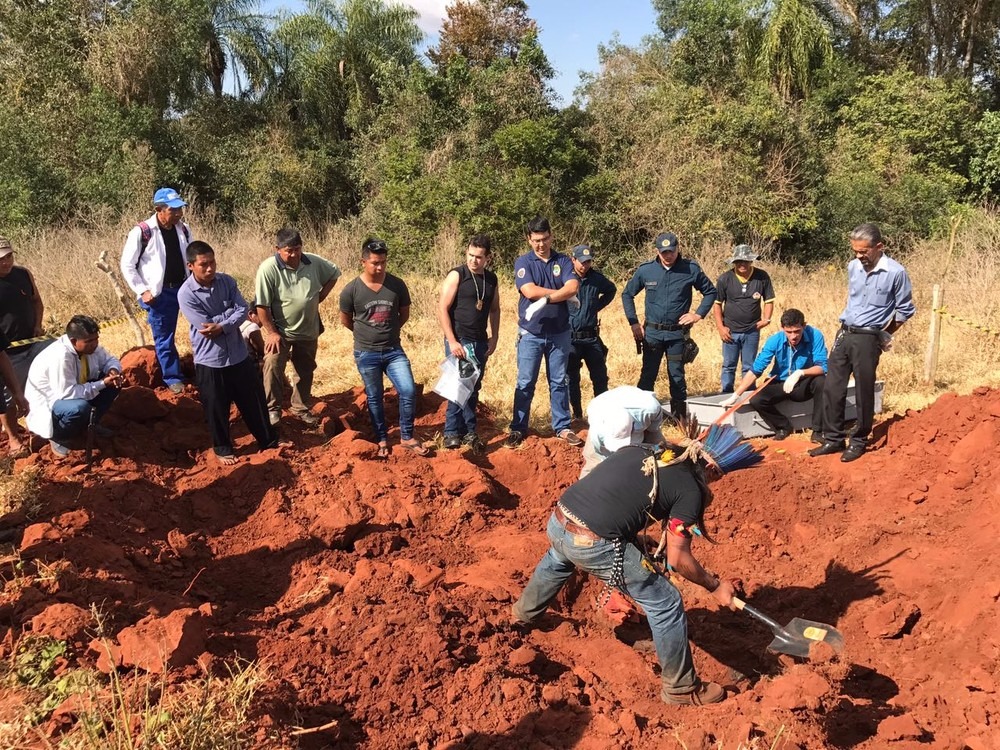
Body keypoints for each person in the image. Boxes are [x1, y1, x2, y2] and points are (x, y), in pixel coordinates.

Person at [512, 422, 762, 706]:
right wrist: (714, 586)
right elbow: (678, 559)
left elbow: (614, 497)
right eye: (717, 478)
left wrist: (637, 538)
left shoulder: (644, 450)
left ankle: (523, 616)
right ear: (712, 470)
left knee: (560, 558)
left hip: (559, 522)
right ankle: (682, 689)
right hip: (593, 543)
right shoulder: (692, 490)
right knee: (666, 602)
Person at [810, 223, 916, 463]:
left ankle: (858, 440)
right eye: (855, 251)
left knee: (863, 390)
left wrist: (885, 334)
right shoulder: (853, 267)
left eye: (864, 251)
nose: (859, 256)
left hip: (869, 337)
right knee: (832, 387)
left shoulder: (896, 273)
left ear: (879, 247)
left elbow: (904, 310)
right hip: (845, 332)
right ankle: (833, 438)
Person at [177, 242, 280, 465]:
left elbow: (243, 309)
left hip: (238, 355)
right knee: (216, 406)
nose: (210, 268)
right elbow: (205, 328)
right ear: (190, 266)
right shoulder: (185, 294)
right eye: (203, 265)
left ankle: (268, 441)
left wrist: (222, 324)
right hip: (210, 360)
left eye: (212, 262)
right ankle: (223, 449)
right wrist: (229, 316)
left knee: (254, 401)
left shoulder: (227, 281)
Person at [339, 238, 428, 458]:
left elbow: (403, 314)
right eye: (375, 263)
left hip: (393, 350)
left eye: (383, 263)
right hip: (366, 352)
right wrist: (366, 335)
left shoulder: (397, 285)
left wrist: (388, 333)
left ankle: (407, 436)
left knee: (407, 390)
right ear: (363, 262)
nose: (380, 267)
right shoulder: (351, 290)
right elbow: (346, 320)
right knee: (374, 396)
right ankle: (381, 438)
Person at [622, 232, 716, 418]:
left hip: (676, 335)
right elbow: (627, 294)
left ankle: (679, 420)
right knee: (648, 375)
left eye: (671, 251)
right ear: (657, 251)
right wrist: (634, 323)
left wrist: (697, 315)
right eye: (664, 252)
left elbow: (710, 292)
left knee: (677, 377)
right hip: (652, 335)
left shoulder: (690, 269)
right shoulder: (646, 270)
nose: (668, 255)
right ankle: (642, 419)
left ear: (677, 249)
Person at [507, 216, 582, 447]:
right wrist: (558, 294)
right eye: (537, 240)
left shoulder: (564, 261)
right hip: (531, 333)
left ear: (552, 236)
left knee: (559, 380)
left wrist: (548, 296)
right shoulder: (524, 263)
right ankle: (518, 428)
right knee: (525, 381)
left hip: (559, 332)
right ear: (529, 240)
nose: (542, 244)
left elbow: (573, 286)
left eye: (545, 239)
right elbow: (529, 291)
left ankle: (562, 426)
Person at [255, 227, 341, 427]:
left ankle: (300, 408)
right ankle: (272, 410)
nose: (294, 254)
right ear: (278, 249)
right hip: (280, 331)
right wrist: (272, 333)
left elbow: (334, 273)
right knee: (273, 365)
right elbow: (262, 306)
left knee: (305, 369)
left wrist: (320, 296)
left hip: (308, 329)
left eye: (297, 249)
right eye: (288, 251)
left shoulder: (312, 261)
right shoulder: (268, 269)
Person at [120, 187, 192, 394]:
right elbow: (127, 265)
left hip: (184, 288)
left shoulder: (184, 230)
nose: (178, 214)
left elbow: (192, 257)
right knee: (164, 337)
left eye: (180, 209)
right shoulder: (142, 232)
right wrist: (143, 291)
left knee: (199, 327)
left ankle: (204, 367)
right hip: (161, 294)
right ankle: (172, 378)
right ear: (159, 209)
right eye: (173, 210)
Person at [721, 308, 827, 441]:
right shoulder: (775, 340)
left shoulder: (815, 335)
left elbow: (822, 366)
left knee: (822, 382)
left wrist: (800, 373)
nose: (793, 336)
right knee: (757, 399)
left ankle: (818, 431)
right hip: (781, 381)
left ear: (804, 326)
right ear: (782, 328)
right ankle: (783, 426)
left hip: (804, 382)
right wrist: (736, 395)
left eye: (797, 331)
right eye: (789, 332)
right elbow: (756, 370)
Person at [25, 316, 123, 458]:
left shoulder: (90, 347)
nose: (95, 344)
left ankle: (90, 425)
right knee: (79, 408)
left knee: (114, 384)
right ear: (73, 341)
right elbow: (67, 393)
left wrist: (113, 370)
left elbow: (110, 360)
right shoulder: (61, 357)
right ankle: (59, 437)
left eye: (96, 339)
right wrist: (102, 383)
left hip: (75, 392)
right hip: (53, 405)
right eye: (89, 341)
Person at [437, 234, 500, 451]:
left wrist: (495, 336)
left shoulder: (491, 279)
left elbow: (494, 309)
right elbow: (442, 308)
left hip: (480, 340)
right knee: (458, 385)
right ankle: (452, 432)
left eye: (479, 257)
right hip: (460, 339)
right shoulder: (457, 275)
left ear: (487, 258)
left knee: (473, 387)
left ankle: (468, 431)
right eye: (471, 255)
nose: (474, 260)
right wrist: (452, 341)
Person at [0, 236, 46, 456]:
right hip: (6, 352)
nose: (6, 262)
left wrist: (37, 325)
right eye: (1, 259)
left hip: (33, 343)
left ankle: (50, 424)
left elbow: (37, 301)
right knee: (8, 395)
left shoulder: (23, 274)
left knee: (61, 360)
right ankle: (13, 439)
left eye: (9, 256)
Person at [713, 244, 775, 393]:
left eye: (746, 261)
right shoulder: (724, 279)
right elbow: (717, 305)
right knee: (729, 365)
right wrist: (721, 328)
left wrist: (766, 319)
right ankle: (726, 394)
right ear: (734, 262)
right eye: (739, 261)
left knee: (749, 365)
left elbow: (769, 300)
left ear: (751, 261)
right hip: (730, 331)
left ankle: (747, 395)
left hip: (752, 330)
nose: (742, 264)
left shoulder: (762, 277)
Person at [567, 244, 617, 420]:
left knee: (600, 377)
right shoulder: (566, 279)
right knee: (572, 379)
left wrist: (597, 306)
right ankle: (577, 415)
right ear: (573, 260)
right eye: (581, 262)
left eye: (588, 262)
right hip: (571, 339)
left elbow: (612, 290)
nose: (584, 265)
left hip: (591, 337)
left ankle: (601, 414)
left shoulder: (596, 279)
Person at [579, 385, 664, 478]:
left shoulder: (649, 409)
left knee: (660, 450)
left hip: (637, 410)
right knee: (593, 462)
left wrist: (653, 446)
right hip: (602, 407)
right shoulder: (597, 428)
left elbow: (654, 428)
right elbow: (601, 455)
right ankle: (581, 489)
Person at [240, 300, 266, 365]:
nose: (264, 320)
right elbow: (262, 350)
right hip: (247, 366)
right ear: (251, 314)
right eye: (262, 316)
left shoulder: (239, 324)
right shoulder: (252, 326)